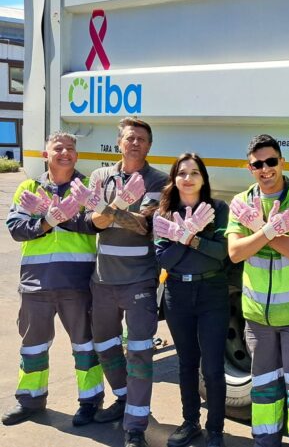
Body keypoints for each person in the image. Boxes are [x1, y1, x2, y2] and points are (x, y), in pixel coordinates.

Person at [71, 117, 168, 447]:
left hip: (139, 281)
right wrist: (120, 206)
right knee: (106, 346)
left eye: (142, 138)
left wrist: (111, 212)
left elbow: (145, 225)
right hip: (102, 281)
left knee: (139, 352)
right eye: (130, 138)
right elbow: (95, 222)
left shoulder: (160, 180)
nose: (135, 143)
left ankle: (136, 426)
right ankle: (125, 398)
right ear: (119, 142)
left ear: (149, 145)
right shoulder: (100, 176)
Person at [226, 134, 289, 447]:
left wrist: (258, 231)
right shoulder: (241, 203)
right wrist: (269, 230)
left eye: (271, 161)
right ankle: (264, 442)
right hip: (257, 318)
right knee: (264, 389)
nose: (265, 169)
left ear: (282, 162)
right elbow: (235, 253)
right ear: (249, 167)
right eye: (258, 164)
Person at [3, 132, 105, 426]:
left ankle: (90, 403)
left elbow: (95, 226)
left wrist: (65, 218)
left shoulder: (87, 187)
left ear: (77, 155)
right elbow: (15, 227)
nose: (65, 152)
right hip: (36, 283)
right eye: (58, 148)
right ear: (46, 154)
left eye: (70, 148)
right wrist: (48, 221)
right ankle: (31, 402)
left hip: (78, 283)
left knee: (85, 346)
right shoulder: (28, 186)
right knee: (33, 346)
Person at [154, 153, 229, 447]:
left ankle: (216, 430)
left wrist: (190, 237)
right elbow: (164, 259)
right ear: (174, 179)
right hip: (177, 293)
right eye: (182, 173)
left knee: (212, 366)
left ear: (203, 179)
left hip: (212, 292)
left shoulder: (218, 209)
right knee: (187, 363)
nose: (188, 178)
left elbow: (222, 254)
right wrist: (184, 236)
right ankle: (190, 422)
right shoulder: (164, 215)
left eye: (194, 172)